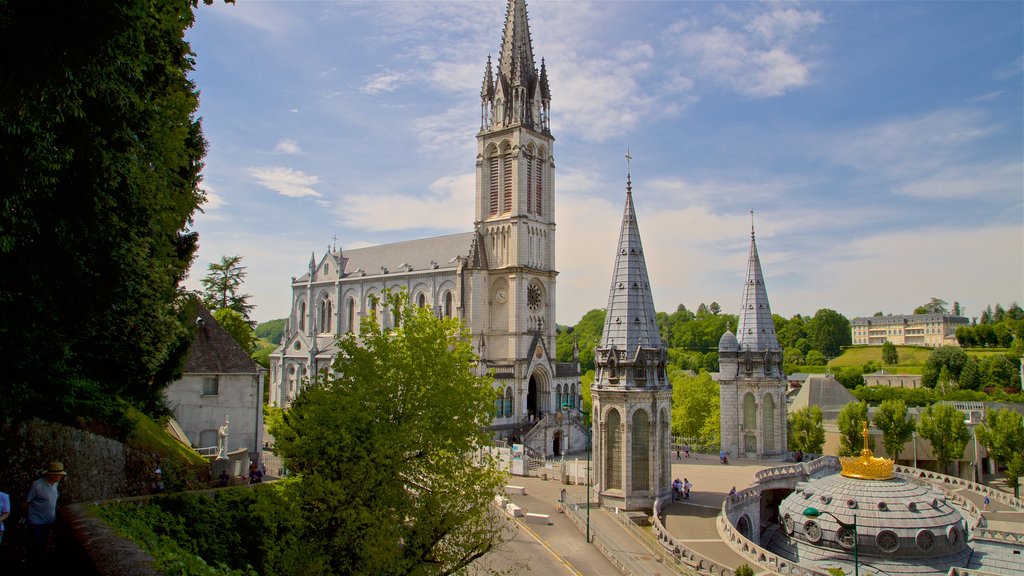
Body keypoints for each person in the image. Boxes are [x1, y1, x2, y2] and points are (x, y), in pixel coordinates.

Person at [24, 461, 67, 571]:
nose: (61, 477)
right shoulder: (37, 485)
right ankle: (30, 569)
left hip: (48, 521)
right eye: (59, 475)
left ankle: (39, 568)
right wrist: (24, 517)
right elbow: (26, 502)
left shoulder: (55, 484)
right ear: (51, 474)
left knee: (42, 546)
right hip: (36, 522)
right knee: (34, 547)